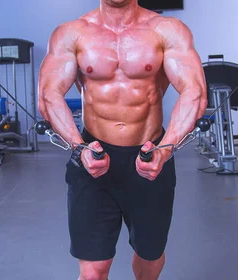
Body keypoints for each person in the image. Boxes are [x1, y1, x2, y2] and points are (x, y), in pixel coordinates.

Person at [37, 0, 207, 279]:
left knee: (149, 259)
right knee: (93, 271)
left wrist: (165, 149)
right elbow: (49, 94)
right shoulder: (72, 33)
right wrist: (78, 147)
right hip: (93, 154)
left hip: (151, 155)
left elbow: (194, 92)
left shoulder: (167, 30)